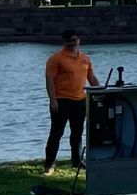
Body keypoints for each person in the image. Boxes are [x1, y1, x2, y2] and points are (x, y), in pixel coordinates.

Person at [42, 30, 100, 174]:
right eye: (68, 40)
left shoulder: (85, 58)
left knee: (77, 133)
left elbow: (92, 78)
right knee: (56, 133)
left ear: (79, 40)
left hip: (80, 100)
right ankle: (49, 165)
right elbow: (49, 80)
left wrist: (101, 92)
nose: (71, 43)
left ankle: (77, 162)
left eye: (74, 40)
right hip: (61, 101)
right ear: (63, 42)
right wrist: (52, 100)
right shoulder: (56, 59)